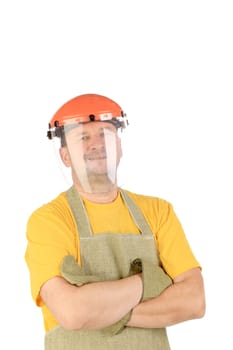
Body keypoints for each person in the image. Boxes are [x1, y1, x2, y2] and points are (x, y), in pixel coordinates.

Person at [25, 93, 205, 350]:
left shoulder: (158, 211)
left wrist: (98, 308)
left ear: (119, 146)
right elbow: (72, 312)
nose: (96, 144)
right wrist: (151, 281)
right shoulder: (50, 220)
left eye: (104, 134)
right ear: (65, 156)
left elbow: (194, 301)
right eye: (83, 137)